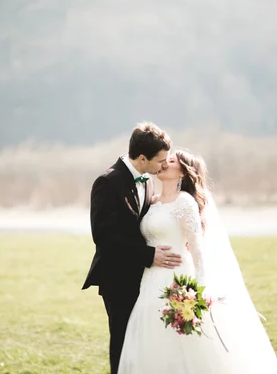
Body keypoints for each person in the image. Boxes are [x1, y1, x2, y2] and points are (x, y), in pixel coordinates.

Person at [117, 150, 277, 373]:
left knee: (181, 347)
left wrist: (198, 294)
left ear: (183, 173)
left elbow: (198, 252)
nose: (165, 162)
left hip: (176, 281)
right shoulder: (152, 202)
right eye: (165, 159)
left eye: (172, 160)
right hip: (149, 282)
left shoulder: (185, 202)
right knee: (152, 342)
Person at [82, 122, 184, 373]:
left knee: (144, 344)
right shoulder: (107, 182)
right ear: (142, 157)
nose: (164, 164)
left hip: (147, 279)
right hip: (117, 278)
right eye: (161, 160)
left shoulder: (148, 182)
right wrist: (150, 256)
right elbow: (104, 236)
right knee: (123, 343)